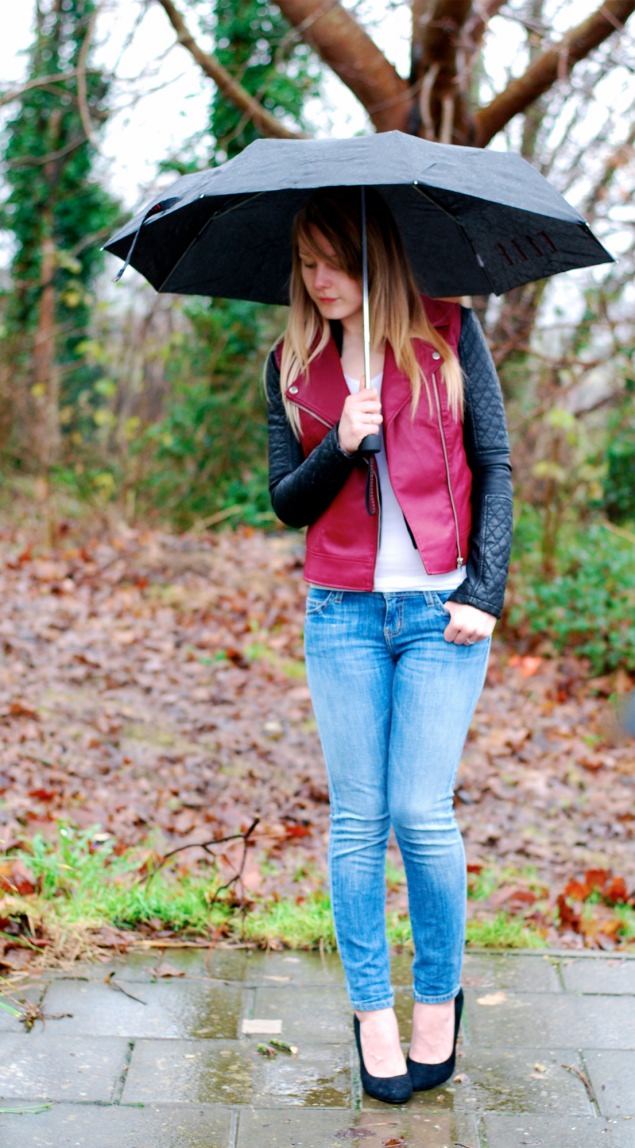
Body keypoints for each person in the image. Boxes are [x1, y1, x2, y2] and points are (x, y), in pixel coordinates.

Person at [265, 187, 513, 1105]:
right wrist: (341, 443)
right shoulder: (293, 366)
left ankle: (436, 1003)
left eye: (332, 259)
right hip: (341, 614)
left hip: (444, 612)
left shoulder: (449, 335)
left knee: (420, 811)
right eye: (305, 263)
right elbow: (285, 501)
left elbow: (494, 464)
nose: (317, 279)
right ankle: (371, 1014)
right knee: (358, 822)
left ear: (377, 258)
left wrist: (484, 591)